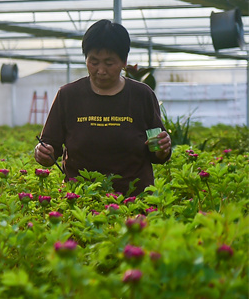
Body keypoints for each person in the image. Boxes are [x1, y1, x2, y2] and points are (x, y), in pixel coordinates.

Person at [34, 19, 172, 195]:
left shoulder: (141, 95)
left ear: (124, 62)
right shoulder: (68, 95)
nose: (100, 70)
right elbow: (50, 147)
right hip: (81, 198)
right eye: (94, 62)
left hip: (134, 199)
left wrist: (162, 148)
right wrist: (44, 153)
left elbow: (157, 151)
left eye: (109, 63)